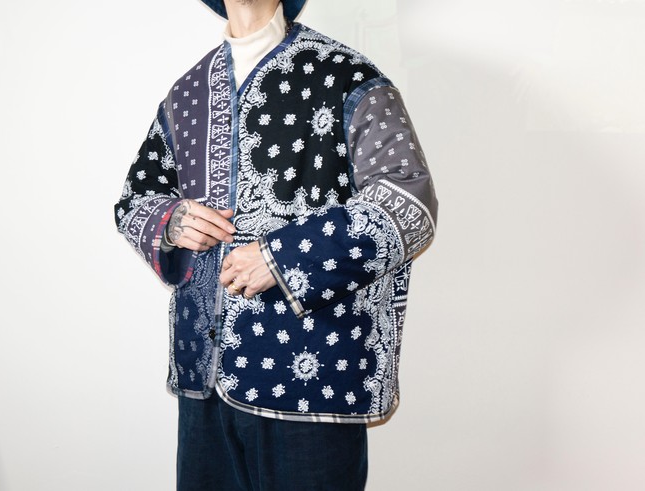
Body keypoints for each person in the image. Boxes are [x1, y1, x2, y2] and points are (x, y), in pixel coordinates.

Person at [114, 1, 438, 489]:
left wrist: (283, 258)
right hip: (204, 379)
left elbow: (408, 200)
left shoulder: (346, 76)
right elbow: (136, 199)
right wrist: (171, 221)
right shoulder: (187, 93)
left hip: (313, 378)